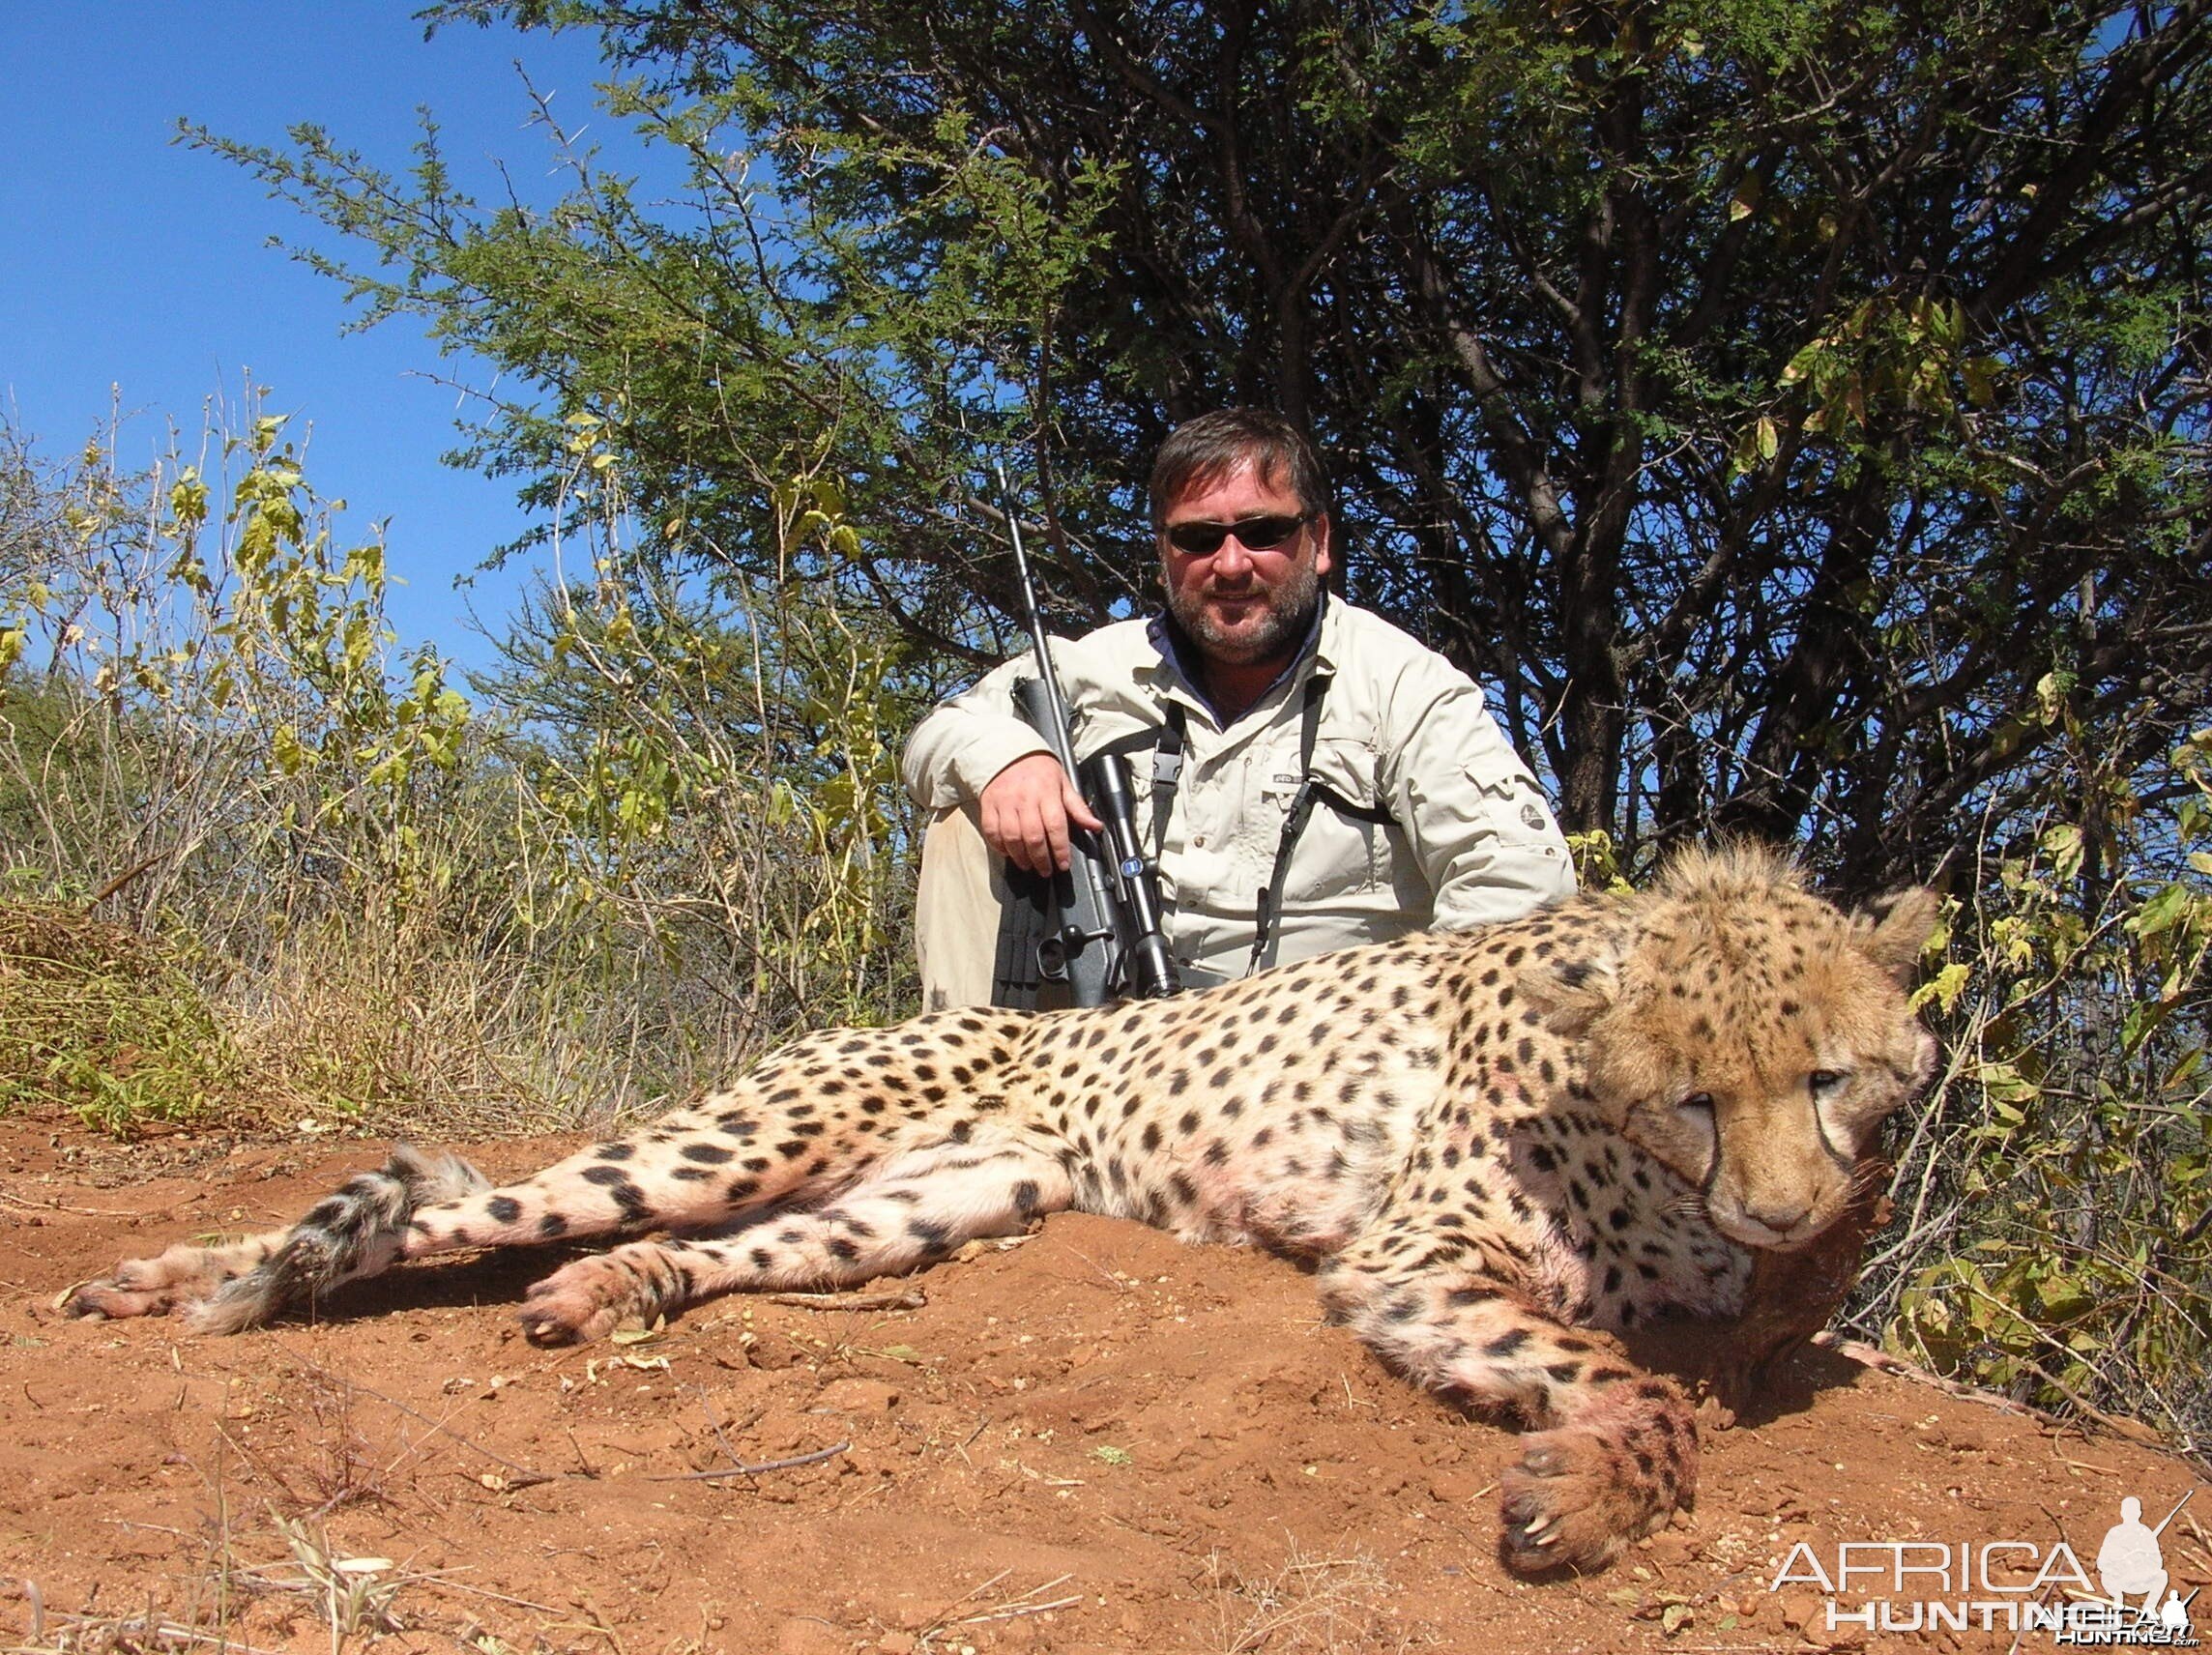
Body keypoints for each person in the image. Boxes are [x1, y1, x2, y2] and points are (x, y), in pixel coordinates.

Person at [901, 409, 1575, 1008]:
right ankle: (972, 1104)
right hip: (1114, 1051)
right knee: (967, 807)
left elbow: (1520, 881)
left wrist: (1411, 1041)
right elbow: (938, 734)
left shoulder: (1406, 684)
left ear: (1319, 541)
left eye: (1262, 532)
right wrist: (1009, 759)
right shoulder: (1084, 668)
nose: (1230, 564)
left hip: (1326, 1062)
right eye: (1197, 538)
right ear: (1163, 552)